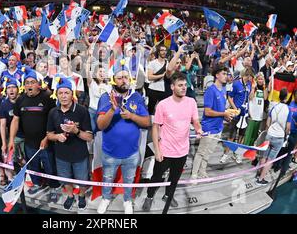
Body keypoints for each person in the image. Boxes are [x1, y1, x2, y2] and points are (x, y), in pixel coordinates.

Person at [142, 72, 203, 213]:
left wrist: (199, 129)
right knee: (156, 177)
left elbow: (195, 121)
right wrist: (157, 150)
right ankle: (149, 196)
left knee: (174, 178)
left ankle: (168, 195)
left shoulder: (191, 102)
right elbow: (156, 127)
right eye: (180, 85)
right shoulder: (163, 105)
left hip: (182, 151)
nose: (183, 88)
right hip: (165, 150)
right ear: (172, 87)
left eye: (185, 85)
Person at [96, 59, 150, 214]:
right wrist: (112, 110)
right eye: (120, 77)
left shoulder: (137, 97)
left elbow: (147, 122)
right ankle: (106, 198)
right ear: (114, 80)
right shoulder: (106, 97)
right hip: (110, 152)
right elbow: (100, 125)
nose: (124, 80)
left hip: (132, 153)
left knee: (129, 180)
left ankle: (127, 200)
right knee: (107, 179)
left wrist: (132, 116)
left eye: (126, 77)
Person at [8, 69, 61, 202]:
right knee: (33, 166)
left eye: (32, 82)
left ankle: (54, 187)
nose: (29, 85)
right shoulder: (21, 100)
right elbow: (15, 120)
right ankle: (37, 183)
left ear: (39, 84)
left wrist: (47, 138)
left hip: (46, 142)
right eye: (27, 83)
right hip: (29, 142)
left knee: (50, 166)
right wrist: (11, 140)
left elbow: (54, 119)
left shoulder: (47, 98)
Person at [46, 76, 93, 211]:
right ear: (57, 95)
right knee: (65, 179)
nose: (63, 96)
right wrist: (57, 137)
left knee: (82, 180)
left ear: (72, 94)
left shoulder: (81, 111)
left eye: (67, 93)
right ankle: (71, 196)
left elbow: (89, 137)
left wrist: (76, 131)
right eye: (60, 93)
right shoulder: (53, 112)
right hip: (61, 156)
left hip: (79, 156)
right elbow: (49, 134)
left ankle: (82, 196)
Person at [191, 65, 236, 179]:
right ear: (217, 75)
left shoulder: (224, 90)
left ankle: (202, 171)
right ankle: (194, 174)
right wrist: (223, 114)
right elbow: (207, 112)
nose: (226, 76)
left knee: (209, 152)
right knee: (201, 152)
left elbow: (220, 110)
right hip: (209, 128)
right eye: (223, 74)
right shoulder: (211, 90)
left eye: (226, 74)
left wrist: (225, 117)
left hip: (218, 127)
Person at [256, 88, 291, 186]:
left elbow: (268, 123)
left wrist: (269, 131)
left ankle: (258, 173)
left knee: (264, 156)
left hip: (269, 134)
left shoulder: (274, 107)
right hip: (279, 137)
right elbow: (288, 127)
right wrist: (286, 135)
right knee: (270, 160)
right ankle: (260, 179)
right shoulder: (288, 109)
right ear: (287, 97)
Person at [220, 68, 255, 164]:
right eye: (249, 76)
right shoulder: (236, 84)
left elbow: (251, 98)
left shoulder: (249, 84)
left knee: (241, 136)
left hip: (245, 114)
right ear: (246, 75)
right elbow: (229, 97)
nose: (250, 78)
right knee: (232, 135)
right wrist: (235, 109)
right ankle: (226, 154)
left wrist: (253, 88)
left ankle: (237, 154)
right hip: (236, 114)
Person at [0, 78, 20, 183]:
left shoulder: (23, 101)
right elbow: (2, 125)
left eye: (13, 87)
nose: (11, 90)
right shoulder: (4, 105)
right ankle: (11, 179)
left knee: (24, 159)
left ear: (18, 89)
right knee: (7, 157)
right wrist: (4, 143)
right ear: (6, 90)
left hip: (25, 135)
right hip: (11, 136)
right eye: (9, 88)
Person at [244, 72, 269, 146]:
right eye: (259, 79)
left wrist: (264, 87)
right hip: (252, 113)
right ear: (256, 80)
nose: (260, 81)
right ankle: (244, 148)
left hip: (259, 114)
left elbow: (265, 97)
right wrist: (253, 88)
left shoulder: (264, 88)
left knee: (255, 134)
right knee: (248, 133)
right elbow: (250, 97)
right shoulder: (253, 87)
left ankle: (250, 148)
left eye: (262, 79)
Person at [146, 46, 167, 115]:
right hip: (153, 89)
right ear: (158, 52)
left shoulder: (168, 63)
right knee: (151, 109)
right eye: (162, 50)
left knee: (163, 110)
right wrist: (162, 75)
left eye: (165, 50)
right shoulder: (152, 63)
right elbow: (149, 77)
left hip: (164, 89)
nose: (164, 52)